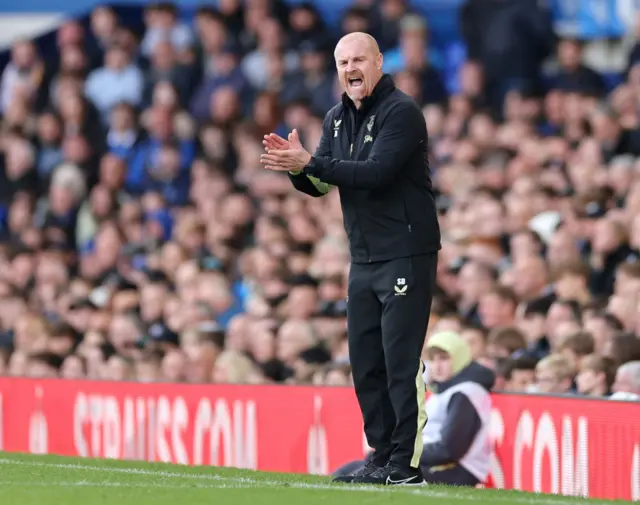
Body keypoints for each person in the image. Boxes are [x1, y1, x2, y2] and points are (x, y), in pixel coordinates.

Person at [261, 32, 440, 485]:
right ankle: (382, 455)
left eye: (359, 59)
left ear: (379, 61)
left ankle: (406, 464)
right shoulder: (336, 118)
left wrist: (311, 163)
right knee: (366, 361)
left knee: (400, 360)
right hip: (363, 257)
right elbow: (322, 183)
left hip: (405, 251)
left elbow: (376, 174)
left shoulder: (402, 112)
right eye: (342, 62)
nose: (350, 68)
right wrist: (298, 168)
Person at [333, 331, 495, 487]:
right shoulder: (445, 389)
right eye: (433, 359)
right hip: (431, 463)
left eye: (444, 359)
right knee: (351, 469)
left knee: (375, 475)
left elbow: (449, 450)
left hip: (456, 470)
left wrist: (400, 455)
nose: (437, 366)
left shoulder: (466, 392)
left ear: (460, 358)